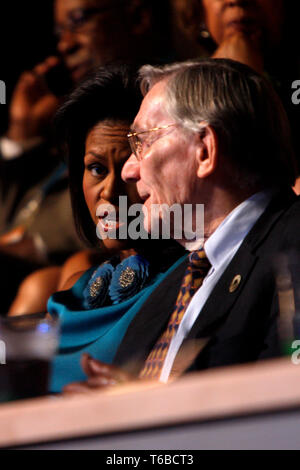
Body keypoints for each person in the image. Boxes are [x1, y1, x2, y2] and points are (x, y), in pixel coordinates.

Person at [64, 58, 300, 393]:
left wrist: (146, 409)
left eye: (142, 142)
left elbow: (286, 407)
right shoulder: (172, 289)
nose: (131, 171)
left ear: (205, 150)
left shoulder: (292, 244)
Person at [0, 0, 173, 311]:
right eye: (95, 168)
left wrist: (35, 245)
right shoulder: (68, 124)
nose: (65, 44)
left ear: (137, 16)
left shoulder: (174, 109)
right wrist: (21, 133)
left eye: (78, 20)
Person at [45, 64, 185, 392]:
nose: (109, 192)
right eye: (96, 168)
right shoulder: (74, 289)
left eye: (129, 166)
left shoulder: (196, 277)